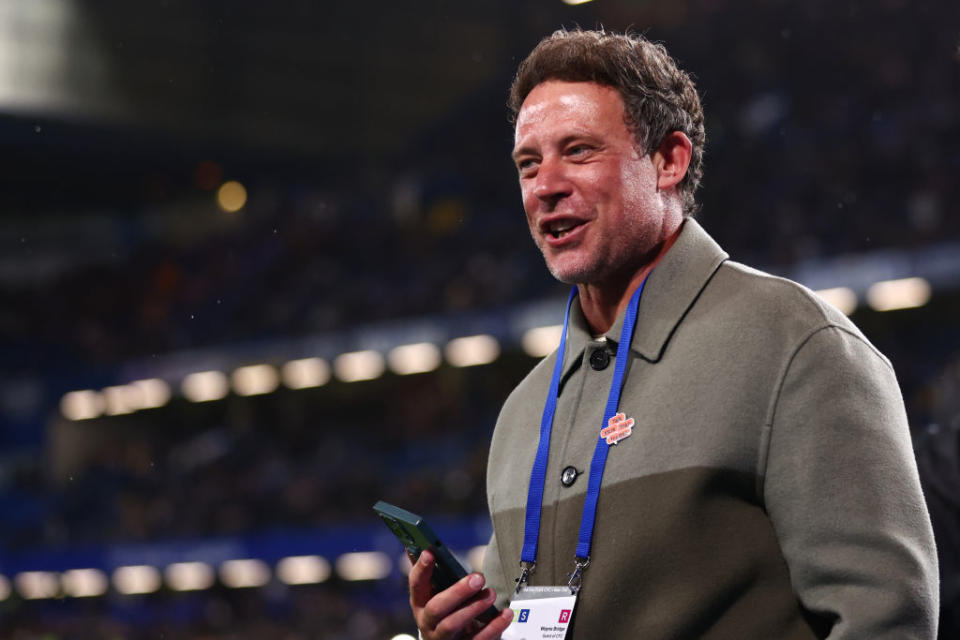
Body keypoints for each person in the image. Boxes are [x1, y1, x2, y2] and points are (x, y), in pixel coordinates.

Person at [408, 29, 939, 639]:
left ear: (669, 161)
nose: (545, 185)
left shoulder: (797, 347)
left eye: (578, 151)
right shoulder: (523, 411)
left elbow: (884, 621)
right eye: (529, 163)